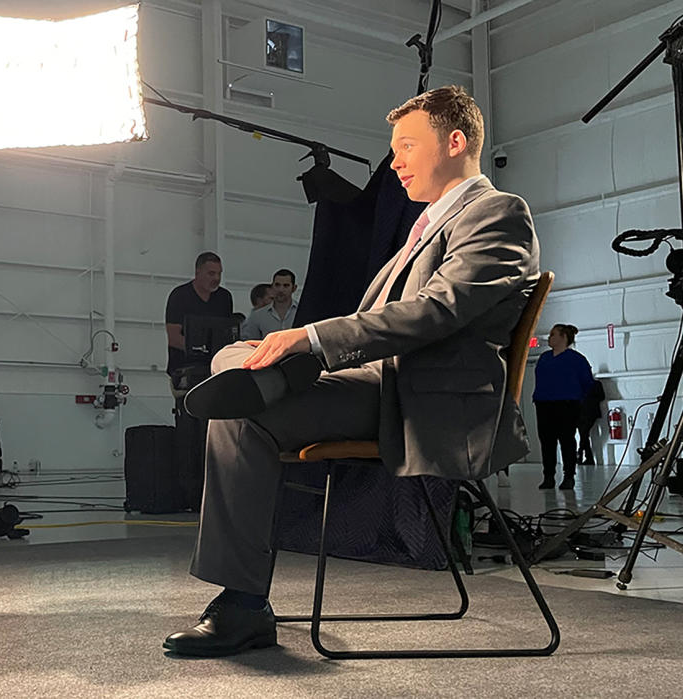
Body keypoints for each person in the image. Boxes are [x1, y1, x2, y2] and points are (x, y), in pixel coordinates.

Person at [164, 86, 539, 657]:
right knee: (235, 358)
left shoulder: (498, 213)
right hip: (378, 383)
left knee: (239, 409)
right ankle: (262, 372)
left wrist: (312, 337)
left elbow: (435, 312)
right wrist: (298, 344)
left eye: (408, 146)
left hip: (417, 397)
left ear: (456, 142)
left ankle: (242, 602)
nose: (396, 162)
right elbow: (381, 322)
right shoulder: (425, 228)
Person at [532, 324, 594, 489]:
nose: (550, 338)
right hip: (544, 404)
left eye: (553, 334)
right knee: (547, 442)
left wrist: (577, 397)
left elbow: (588, 382)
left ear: (563, 337)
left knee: (567, 440)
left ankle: (569, 476)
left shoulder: (576, 359)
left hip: (567, 404)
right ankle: (549, 476)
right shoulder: (544, 358)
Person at [165, 252, 234, 396]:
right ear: (198, 272)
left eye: (219, 274)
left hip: (215, 369)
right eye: (211, 273)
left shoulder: (224, 297)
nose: (216, 278)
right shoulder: (179, 296)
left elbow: (226, 332)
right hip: (185, 370)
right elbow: (173, 337)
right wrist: (201, 349)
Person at [240, 269, 299, 339]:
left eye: (286, 286)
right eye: (277, 285)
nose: (281, 289)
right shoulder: (257, 316)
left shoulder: (303, 313)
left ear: (294, 288)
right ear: (272, 286)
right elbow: (249, 344)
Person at [577, 378, 606, 466]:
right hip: (583, 413)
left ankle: (581, 453)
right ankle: (587, 457)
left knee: (584, 434)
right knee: (584, 435)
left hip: (586, 413)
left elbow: (601, 397)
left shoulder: (594, 384)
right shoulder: (594, 384)